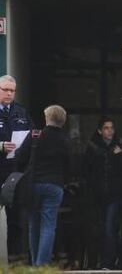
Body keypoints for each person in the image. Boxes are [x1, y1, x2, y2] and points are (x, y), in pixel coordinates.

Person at [16, 105, 70, 266]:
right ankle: (42, 264)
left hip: (34, 183)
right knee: (48, 225)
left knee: (34, 224)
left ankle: (34, 264)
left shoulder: (35, 135)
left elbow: (20, 158)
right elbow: (69, 165)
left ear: (47, 118)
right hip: (54, 186)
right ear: (62, 122)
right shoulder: (65, 140)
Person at [84, 118, 122, 269]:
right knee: (98, 228)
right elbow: (87, 171)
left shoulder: (119, 148)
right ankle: (97, 260)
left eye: (111, 128)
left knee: (110, 228)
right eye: (106, 128)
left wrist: (120, 156)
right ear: (100, 131)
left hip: (113, 195)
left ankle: (108, 262)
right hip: (97, 195)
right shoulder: (93, 148)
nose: (110, 131)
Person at [0, 75, 33, 261]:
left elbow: (32, 136)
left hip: (13, 173)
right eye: (5, 89)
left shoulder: (21, 112)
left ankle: (15, 265)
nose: (9, 94)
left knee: (16, 222)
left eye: (12, 90)